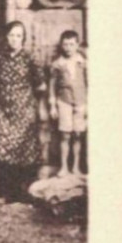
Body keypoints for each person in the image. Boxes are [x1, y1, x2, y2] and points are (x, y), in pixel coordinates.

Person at [0, 20, 45, 202]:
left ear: (23, 38)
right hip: (3, 111)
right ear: (6, 37)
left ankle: (25, 193)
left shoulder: (30, 57)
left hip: (24, 111)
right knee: (4, 147)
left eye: (18, 36)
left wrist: (31, 104)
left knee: (24, 149)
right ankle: (10, 192)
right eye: (11, 35)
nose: (14, 39)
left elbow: (40, 84)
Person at [48, 29, 87, 176]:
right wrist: (52, 105)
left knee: (78, 134)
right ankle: (64, 167)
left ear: (77, 45)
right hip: (64, 102)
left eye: (72, 44)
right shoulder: (57, 64)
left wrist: (89, 104)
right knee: (65, 135)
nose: (68, 48)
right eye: (65, 45)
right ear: (61, 46)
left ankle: (76, 166)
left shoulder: (83, 62)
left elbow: (89, 83)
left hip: (81, 102)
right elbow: (52, 85)